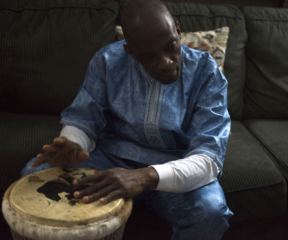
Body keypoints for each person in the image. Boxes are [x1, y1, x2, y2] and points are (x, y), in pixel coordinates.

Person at [21, 0, 233, 239]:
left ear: (178, 29)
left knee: (211, 211)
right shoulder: (107, 62)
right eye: (150, 56)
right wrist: (73, 143)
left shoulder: (207, 73)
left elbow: (208, 160)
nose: (165, 63)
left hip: (176, 166)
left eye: (171, 46)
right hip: (111, 159)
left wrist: (145, 176)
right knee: (32, 176)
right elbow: (84, 118)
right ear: (130, 51)